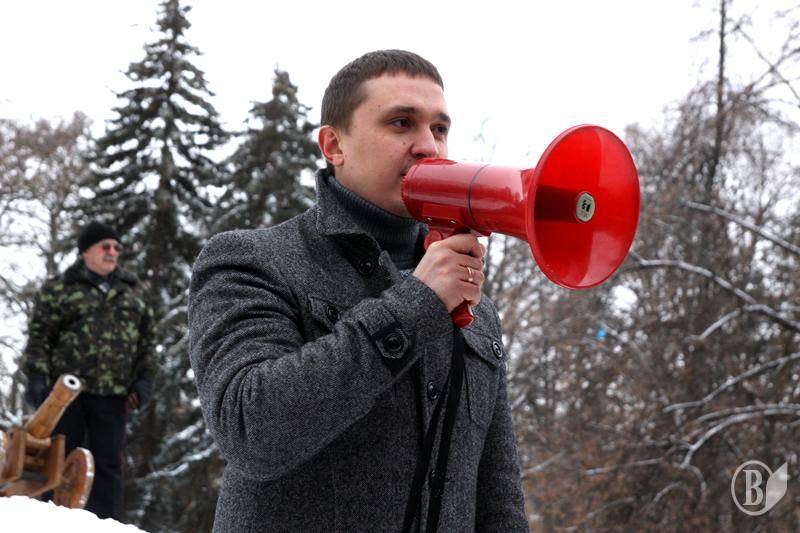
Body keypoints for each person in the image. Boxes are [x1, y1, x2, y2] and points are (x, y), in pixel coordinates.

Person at [188, 50, 528, 532]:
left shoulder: (472, 304)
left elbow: (497, 489)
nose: (428, 147)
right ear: (334, 145)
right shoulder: (252, 260)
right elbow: (250, 430)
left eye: (439, 128)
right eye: (401, 123)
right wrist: (416, 305)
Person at [23, 220, 155, 521]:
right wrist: (36, 378)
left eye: (117, 247)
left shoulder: (133, 291)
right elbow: (39, 338)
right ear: (85, 251)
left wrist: (145, 382)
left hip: (114, 394)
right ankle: (48, 523)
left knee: (107, 466)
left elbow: (148, 343)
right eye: (105, 246)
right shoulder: (59, 289)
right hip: (65, 393)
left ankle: (104, 525)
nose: (112, 252)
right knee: (56, 461)